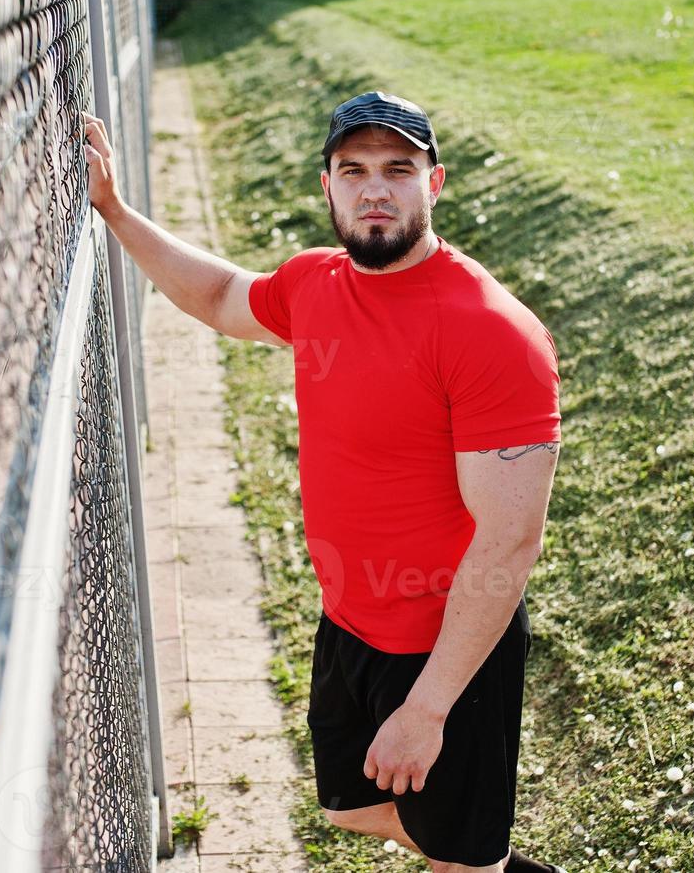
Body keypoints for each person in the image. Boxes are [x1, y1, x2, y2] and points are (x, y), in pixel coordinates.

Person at [82, 93, 567, 873]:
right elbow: (216, 295)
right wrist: (115, 211)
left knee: (456, 859)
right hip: (349, 620)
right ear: (328, 187)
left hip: (440, 645)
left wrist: (429, 706)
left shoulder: (491, 331)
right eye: (355, 170)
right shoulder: (315, 284)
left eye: (397, 170)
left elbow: (509, 541)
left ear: (433, 184)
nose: (375, 189)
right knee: (350, 806)